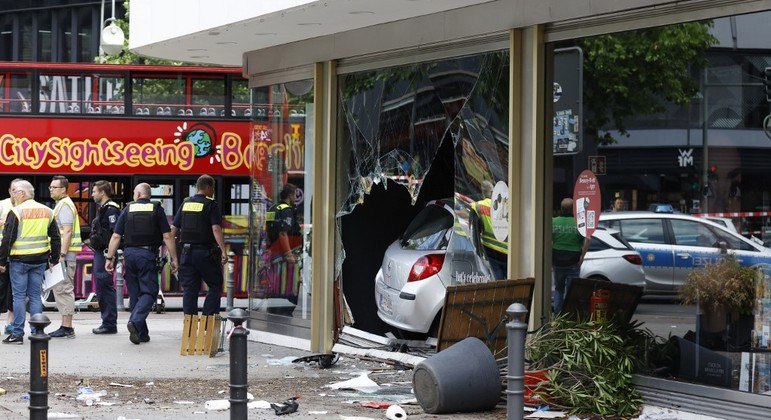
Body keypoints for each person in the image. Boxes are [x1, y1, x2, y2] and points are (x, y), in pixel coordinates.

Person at [105, 183, 178, 345]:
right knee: (150, 292)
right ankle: (135, 321)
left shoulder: (127, 209)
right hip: (147, 255)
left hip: (129, 255)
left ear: (138, 194)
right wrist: (174, 259)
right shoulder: (157, 209)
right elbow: (167, 236)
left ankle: (142, 333)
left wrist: (109, 258)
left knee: (136, 294)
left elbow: (116, 237)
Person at [0, 180, 61, 344]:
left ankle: (17, 333)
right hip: (40, 260)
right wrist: (54, 258)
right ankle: (37, 331)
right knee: (35, 296)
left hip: (19, 260)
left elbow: (8, 238)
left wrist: (2, 262)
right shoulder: (48, 211)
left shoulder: (17, 211)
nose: (13, 196)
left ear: (23, 193)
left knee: (18, 297)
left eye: (15, 192)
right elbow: (55, 237)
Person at [170, 175, 227, 317]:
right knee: (215, 285)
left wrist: (173, 255)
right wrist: (224, 251)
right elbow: (216, 229)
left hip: (186, 253)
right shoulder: (211, 204)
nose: (213, 191)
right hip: (205, 253)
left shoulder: (185, 203)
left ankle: (190, 325)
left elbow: (173, 229)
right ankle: (208, 320)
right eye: (212, 188)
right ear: (207, 187)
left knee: (190, 289)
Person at [49, 175, 82, 339]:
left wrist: (61, 254)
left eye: (54, 187)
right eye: (50, 187)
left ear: (63, 189)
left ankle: (67, 327)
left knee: (64, 289)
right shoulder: (62, 204)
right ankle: (65, 326)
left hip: (65, 255)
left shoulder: (64, 206)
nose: (51, 190)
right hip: (65, 255)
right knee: (61, 289)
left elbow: (67, 231)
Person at [89, 180, 121, 334]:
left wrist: (110, 255)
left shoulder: (111, 210)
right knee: (102, 287)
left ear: (102, 192)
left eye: (94, 191)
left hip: (105, 253)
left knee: (105, 287)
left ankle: (109, 323)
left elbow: (115, 233)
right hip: (102, 252)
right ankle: (107, 322)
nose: (92, 194)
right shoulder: (103, 209)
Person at [264, 183, 302, 313]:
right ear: (290, 195)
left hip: (274, 254)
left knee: (275, 284)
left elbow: (268, 231)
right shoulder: (286, 210)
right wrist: (289, 254)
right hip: (284, 256)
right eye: (294, 195)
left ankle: (274, 310)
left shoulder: (273, 208)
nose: (295, 198)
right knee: (288, 285)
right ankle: (285, 311)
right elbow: (283, 233)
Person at [552, 197, 591, 313]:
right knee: (572, 291)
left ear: (561, 209)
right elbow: (588, 239)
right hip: (573, 260)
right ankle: (570, 316)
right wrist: (582, 257)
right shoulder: (579, 223)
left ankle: (558, 317)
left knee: (559, 289)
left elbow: (548, 240)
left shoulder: (553, 221)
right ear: (573, 209)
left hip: (558, 260)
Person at [470, 180, 508, 280]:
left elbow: (475, 232)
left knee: (497, 281)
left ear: (482, 193)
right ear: (493, 192)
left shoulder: (478, 206)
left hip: (490, 251)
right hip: (507, 251)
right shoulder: (505, 206)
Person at [0, 181, 20, 335]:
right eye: (13, 190)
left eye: (18, 190)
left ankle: (10, 322)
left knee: (14, 291)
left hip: (17, 255)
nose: (16, 193)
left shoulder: (25, 208)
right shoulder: (2, 205)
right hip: (2, 252)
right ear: (9, 190)